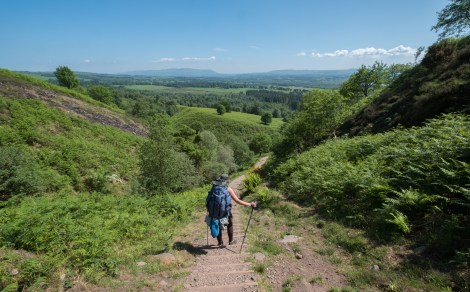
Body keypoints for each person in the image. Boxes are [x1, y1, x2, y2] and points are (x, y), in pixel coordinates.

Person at [215, 174, 256, 247]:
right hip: (225, 211)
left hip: (215, 211)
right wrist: (250, 204)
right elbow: (237, 201)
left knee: (217, 225)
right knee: (229, 224)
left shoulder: (214, 188)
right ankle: (231, 241)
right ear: (227, 181)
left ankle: (220, 242)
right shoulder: (228, 189)